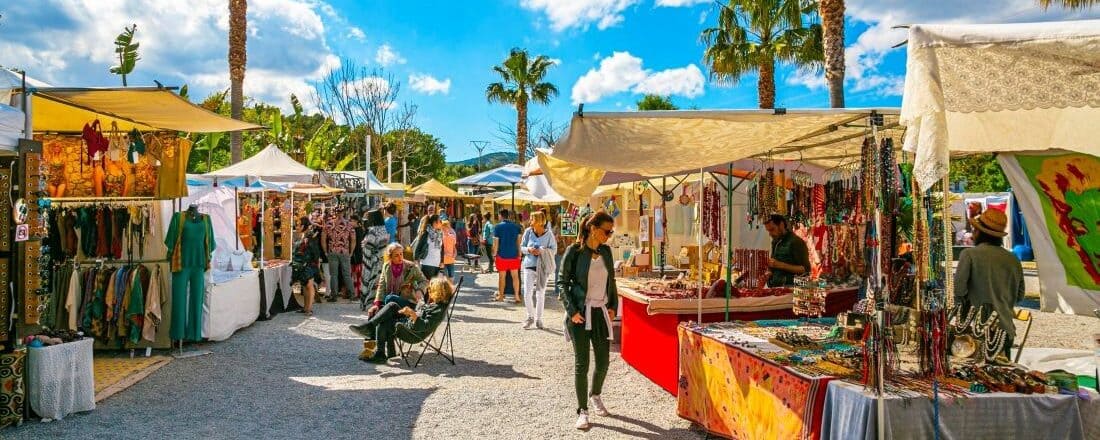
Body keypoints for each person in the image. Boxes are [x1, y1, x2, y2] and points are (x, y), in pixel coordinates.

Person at [558, 211, 618, 430]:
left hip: (600, 312)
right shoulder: (574, 252)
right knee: (581, 363)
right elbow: (562, 283)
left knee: (603, 362)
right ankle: (582, 411)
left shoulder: (607, 252)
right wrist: (572, 310)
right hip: (580, 314)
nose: (609, 236)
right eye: (607, 231)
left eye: (611, 232)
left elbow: (612, 280)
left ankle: (596, 394)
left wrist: (613, 306)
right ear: (593, 228)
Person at [954, 209, 1024, 358]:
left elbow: (959, 290)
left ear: (980, 233)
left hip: (975, 330)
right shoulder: (1013, 259)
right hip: (1004, 330)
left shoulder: (969, 255)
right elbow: (1019, 295)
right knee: (1001, 376)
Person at [350, 276, 454, 363]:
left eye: (431, 289)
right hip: (408, 323)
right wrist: (417, 307)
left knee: (384, 321)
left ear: (438, 291)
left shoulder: (438, 309)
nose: (428, 291)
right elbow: (421, 313)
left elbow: (424, 326)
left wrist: (412, 313)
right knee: (391, 305)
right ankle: (371, 328)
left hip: (412, 333)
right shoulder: (435, 303)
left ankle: (379, 350)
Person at [362, 243, 428, 357]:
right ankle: (379, 352)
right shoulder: (386, 266)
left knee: (390, 298)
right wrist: (377, 304)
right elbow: (381, 286)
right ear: (390, 256)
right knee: (375, 313)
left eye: (401, 254)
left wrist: (420, 290)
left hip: (407, 306)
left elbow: (424, 281)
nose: (400, 257)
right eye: (396, 255)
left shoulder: (411, 267)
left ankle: (369, 327)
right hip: (392, 307)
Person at [520, 211, 557, 329]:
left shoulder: (549, 235)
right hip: (529, 265)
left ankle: (539, 319)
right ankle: (530, 317)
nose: (530, 222)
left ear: (540, 221)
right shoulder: (528, 232)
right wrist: (529, 250)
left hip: (543, 267)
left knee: (540, 293)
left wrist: (542, 250)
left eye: (532, 219)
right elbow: (521, 248)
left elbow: (554, 250)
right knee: (527, 293)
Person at [763, 215, 811, 287]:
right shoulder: (775, 241)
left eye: (772, 229)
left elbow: (805, 269)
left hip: (791, 289)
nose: (770, 234)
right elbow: (774, 263)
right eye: (768, 231)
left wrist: (781, 265)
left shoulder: (796, 242)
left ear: (781, 225)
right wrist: (769, 272)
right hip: (776, 289)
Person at [291, 217, 323, 317]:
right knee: (305, 285)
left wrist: (316, 263)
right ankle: (305, 308)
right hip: (303, 264)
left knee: (309, 285)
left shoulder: (309, 236)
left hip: (309, 264)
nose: (296, 226)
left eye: (298, 224)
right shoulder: (303, 235)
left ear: (303, 226)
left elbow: (315, 252)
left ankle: (309, 309)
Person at [360, 209, 390, 310]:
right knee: (377, 282)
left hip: (372, 261)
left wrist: (364, 244)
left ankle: (368, 303)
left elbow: (369, 245)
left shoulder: (373, 230)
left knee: (369, 281)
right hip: (381, 260)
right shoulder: (383, 229)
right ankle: (374, 303)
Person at [324, 207, 356, 300]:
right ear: (344, 213)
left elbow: (323, 238)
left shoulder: (329, 224)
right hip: (344, 251)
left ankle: (334, 295)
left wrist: (326, 251)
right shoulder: (349, 225)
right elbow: (353, 240)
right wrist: (351, 251)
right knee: (346, 274)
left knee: (333, 274)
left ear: (335, 212)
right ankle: (352, 295)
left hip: (332, 251)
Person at [493, 209, 523, 302]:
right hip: (514, 255)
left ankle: (501, 296)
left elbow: (496, 243)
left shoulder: (497, 227)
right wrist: (520, 254)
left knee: (502, 276)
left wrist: (494, 254)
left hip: (502, 255)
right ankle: (517, 296)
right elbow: (519, 242)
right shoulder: (516, 227)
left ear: (500, 215)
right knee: (515, 277)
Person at [419, 214, 444, 279]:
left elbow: (442, 249)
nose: (441, 223)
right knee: (428, 286)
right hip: (427, 264)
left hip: (437, 264)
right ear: (435, 223)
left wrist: (442, 261)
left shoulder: (440, 234)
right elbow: (419, 246)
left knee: (435, 287)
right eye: (440, 221)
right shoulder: (426, 233)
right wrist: (416, 260)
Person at [350, 215, 367, 299]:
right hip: (358, 254)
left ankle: (356, 292)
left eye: (352, 221)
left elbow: (355, 243)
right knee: (357, 275)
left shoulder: (356, 230)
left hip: (356, 254)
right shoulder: (360, 229)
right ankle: (357, 291)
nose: (350, 222)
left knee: (356, 274)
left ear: (356, 221)